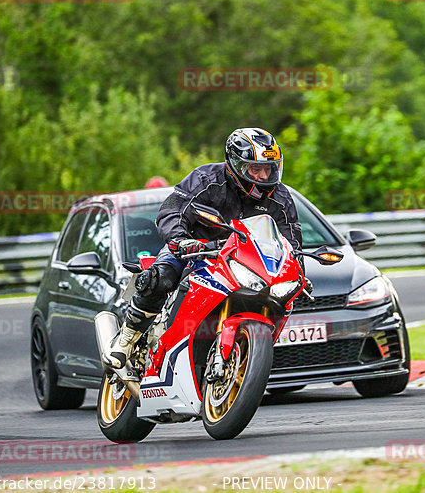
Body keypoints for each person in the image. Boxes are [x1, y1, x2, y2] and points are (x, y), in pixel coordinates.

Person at [104, 127, 304, 369]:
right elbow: (172, 211)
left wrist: (297, 272)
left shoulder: (280, 198)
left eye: (268, 168)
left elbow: (291, 240)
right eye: (255, 169)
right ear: (236, 164)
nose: (263, 176)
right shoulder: (205, 179)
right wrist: (180, 240)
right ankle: (127, 338)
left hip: (243, 260)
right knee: (160, 277)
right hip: (196, 249)